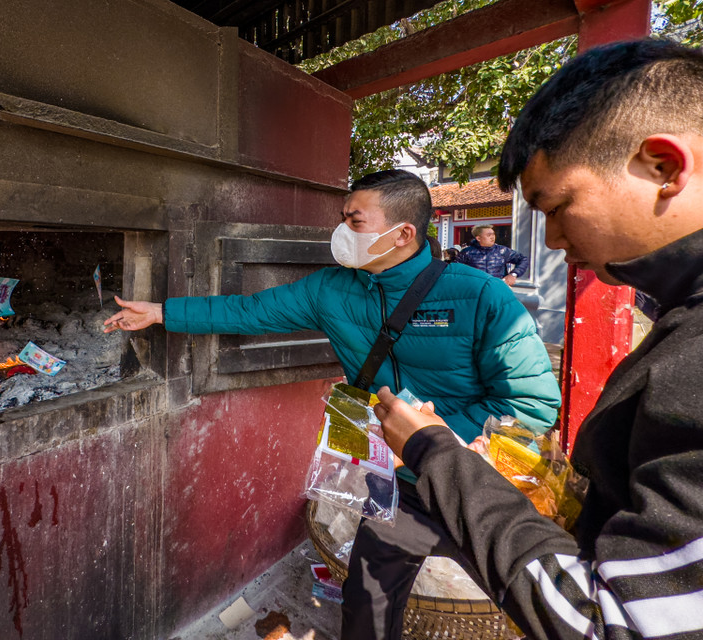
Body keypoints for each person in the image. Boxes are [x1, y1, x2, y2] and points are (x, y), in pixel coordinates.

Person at [104, 169, 561, 639]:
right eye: (341, 218)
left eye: (354, 220)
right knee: (368, 598)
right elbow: (248, 311)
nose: (341, 232)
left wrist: (427, 439)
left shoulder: (479, 295)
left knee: (524, 605)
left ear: (403, 233)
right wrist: (161, 312)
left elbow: (533, 405)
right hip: (399, 484)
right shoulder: (331, 289)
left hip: (476, 479)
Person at [371, 39, 703, 639]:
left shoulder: (483, 293)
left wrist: (441, 453)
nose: (551, 240)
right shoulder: (679, 319)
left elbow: (616, 619)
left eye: (557, 206)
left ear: (664, 166)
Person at [456, 225, 529, 285]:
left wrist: (513, 274)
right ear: (478, 238)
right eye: (489, 235)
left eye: (493, 234)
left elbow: (523, 259)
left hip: (497, 288)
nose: (492, 237)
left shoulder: (502, 251)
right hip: (475, 289)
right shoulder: (467, 252)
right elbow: (455, 270)